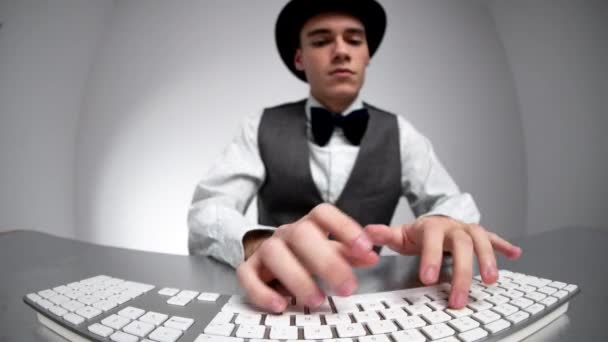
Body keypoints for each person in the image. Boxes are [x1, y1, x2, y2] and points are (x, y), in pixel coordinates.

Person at [188, 0, 522, 313]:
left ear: (367, 55)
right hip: (278, 304)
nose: (341, 52)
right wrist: (257, 242)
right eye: (321, 41)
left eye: (354, 40)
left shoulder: (401, 132)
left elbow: (452, 202)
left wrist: (445, 223)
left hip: (379, 308)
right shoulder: (258, 126)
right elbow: (207, 210)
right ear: (299, 58)